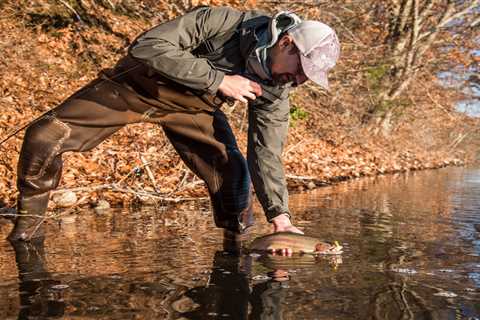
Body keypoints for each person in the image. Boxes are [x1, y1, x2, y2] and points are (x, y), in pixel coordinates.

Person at [7, 6, 340, 242]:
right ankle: (28, 237)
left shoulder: (278, 88)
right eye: (300, 70)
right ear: (286, 43)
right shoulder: (220, 22)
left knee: (234, 175)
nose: (297, 81)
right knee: (45, 135)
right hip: (133, 87)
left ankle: (235, 259)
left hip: (192, 111)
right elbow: (147, 46)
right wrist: (218, 80)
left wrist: (280, 217)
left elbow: (266, 153)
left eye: (306, 79)